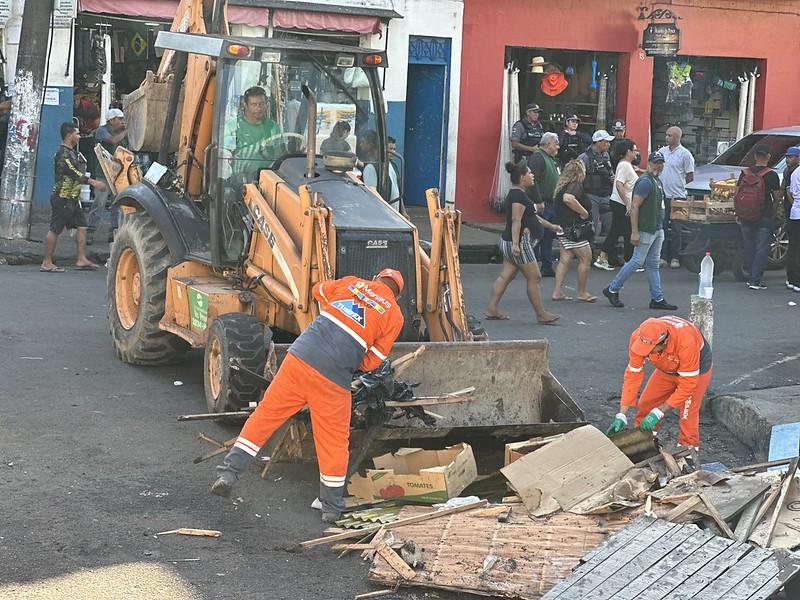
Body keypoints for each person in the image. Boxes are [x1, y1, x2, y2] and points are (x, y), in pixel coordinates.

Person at [211, 269, 405, 523]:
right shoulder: (394, 314)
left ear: (376, 279)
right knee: (334, 441)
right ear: (397, 295)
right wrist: (351, 359)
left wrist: (335, 309)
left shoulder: (352, 282)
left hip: (299, 359)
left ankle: (229, 473)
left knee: (266, 415)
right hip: (333, 379)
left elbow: (318, 290)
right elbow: (374, 361)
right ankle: (332, 507)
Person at [606, 316, 713, 462]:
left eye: (650, 349)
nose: (645, 353)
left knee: (688, 414)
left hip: (696, 369)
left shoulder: (685, 341)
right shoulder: (639, 337)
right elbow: (632, 375)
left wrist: (659, 412)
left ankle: (688, 454)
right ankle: (645, 445)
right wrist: (622, 415)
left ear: (664, 342)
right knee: (646, 403)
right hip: (667, 368)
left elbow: (688, 384)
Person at [485, 161, 561, 324]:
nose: (532, 175)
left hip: (510, 241)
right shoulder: (518, 196)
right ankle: (541, 314)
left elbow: (531, 216)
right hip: (518, 242)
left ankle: (491, 309)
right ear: (522, 177)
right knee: (535, 277)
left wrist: (550, 226)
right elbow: (516, 220)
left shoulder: (518, 193)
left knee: (506, 276)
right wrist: (515, 244)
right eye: (530, 173)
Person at [602, 152, 678, 310]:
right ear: (649, 163)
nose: (659, 166)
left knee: (652, 265)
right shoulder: (645, 182)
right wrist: (634, 231)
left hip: (656, 228)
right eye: (656, 163)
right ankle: (612, 289)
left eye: (661, 163)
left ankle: (657, 298)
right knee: (636, 261)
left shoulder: (655, 181)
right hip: (646, 228)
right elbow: (634, 206)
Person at [40, 122, 107, 273]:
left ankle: (81, 258)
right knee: (55, 229)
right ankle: (46, 262)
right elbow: (73, 172)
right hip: (62, 197)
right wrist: (93, 182)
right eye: (77, 134)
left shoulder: (71, 152)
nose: (79, 136)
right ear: (69, 135)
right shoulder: (62, 153)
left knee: (82, 226)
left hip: (72, 198)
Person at [735, 143, 781, 290]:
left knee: (749, 247)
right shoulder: (772, 175)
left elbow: (736, 195)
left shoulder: (744, 173)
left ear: (754, 156)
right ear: (768, 157)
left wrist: (739, 212)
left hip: (745, 215)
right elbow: (777, 198)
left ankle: (750, 276)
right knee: (762, 248)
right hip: (764, 215)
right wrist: (772, 212)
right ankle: (755, 280)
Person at [551, 159, 597, 303]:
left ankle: (557, 291)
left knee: (565, 260)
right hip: (575, 230)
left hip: (563, 229)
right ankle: (581, 292)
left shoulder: (562, 187)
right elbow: (569, 199)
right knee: (585, 259)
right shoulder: (575, 185)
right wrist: (584, 212)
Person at [87, 108, 128, 245]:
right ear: (111, 121)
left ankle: (114, 232)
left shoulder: (121, 133)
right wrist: (126, 130)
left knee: (117, 204)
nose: (122, 122)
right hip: (104, 173)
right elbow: (112, 140)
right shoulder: (102, 131)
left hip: (119, 174)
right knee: (99, 203)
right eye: (119, 119)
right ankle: (90, 231)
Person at [596, 139, 638, 270]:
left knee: (616, 231)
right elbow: (619, 184)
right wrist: (628, 204)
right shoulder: (625, 165)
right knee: (627, 231)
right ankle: (629, 260)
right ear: (628, 152)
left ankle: (603, 256)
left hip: (619, 202)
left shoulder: (625, 165)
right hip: (621, 203)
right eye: (634, 150)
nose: (636, 153)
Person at [658, 126, 695, 269]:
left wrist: (679, 184)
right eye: (666, 135)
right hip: (662, 195)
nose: (666, 138)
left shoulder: (685, 155)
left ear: (677, 137)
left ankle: (675, 257)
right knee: (661, 227)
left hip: (678, 196)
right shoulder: (662, 152)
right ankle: (662, 256)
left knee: (676, 228)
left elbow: (690, 176)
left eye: (669, 136)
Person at [226, 86, 282, 177]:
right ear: (245, 105)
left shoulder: (274, 127)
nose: (258, 108)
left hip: (268, 176)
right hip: (239, 177)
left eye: (261, 104)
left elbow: (279, 154)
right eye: (254, 105)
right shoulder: (233, 127)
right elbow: (225, 154)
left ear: (266, 104)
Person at [527, 132, 561, 277]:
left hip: (551, 203)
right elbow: (531, 181)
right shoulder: (538, 157)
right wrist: (538, 201)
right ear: (548, 144)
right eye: (556, 143)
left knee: (548, 236)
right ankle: (532, 267)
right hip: (542, 203)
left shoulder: (549, 159)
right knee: (538, 235)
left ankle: (546, 266)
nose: (558, 146)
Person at [578, 130, 615, 239]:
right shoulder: (584, 157)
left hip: (605, 195)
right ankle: (589, 251)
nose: (608, 144)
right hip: (590, 196)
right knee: (591, 227)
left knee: (611, 226)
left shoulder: (606, 155)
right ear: (598, 142)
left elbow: (609, 171)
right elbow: (577, 178)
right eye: (606, 142)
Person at [360, 130, 401, 211]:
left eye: (394, 149)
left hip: (395, 213)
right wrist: (387, 209)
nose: (393, 152)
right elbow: (371, 192)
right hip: (384, 213)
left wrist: (402, 212)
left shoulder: (393, 166)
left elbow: (398, 190)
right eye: (390, 149)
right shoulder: (371, 168)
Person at [787, 161, 800, 292]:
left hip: (795, 213)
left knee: (794, 246)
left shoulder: (796, 172)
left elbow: (791, 193)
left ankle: (792, 279)